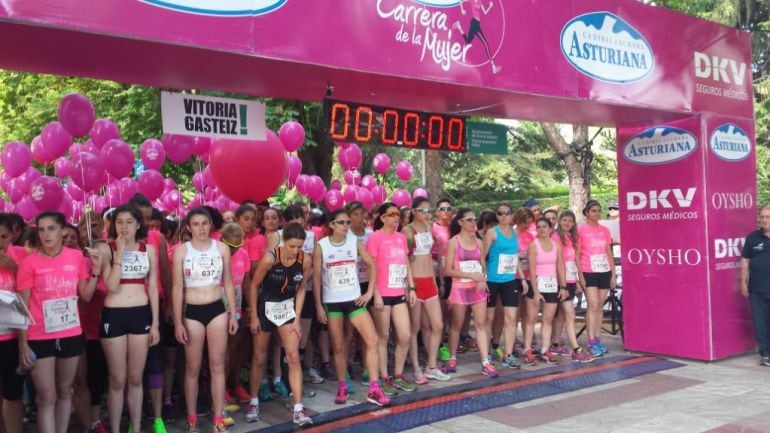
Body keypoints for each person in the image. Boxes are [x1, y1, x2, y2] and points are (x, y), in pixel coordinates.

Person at [17, 211, 103, 433]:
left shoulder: (76, 258)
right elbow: (23, 307)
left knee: (66, 391)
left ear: (63, 230)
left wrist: (95, 271)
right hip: (39, 336)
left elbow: (85, 295)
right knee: (46, 396)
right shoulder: (29, 263)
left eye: (51, 228)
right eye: (42, 229)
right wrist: (23, 344)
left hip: (70, 333)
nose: (46, 234)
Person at [313, 209, 391, 406]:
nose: (346, 226)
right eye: (342, 222)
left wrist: (369, 292)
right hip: (333, 301)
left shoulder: (353, 241)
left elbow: (372, 265)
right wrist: (318, 306)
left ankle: (374, 388)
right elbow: (316, 278)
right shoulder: (321, 245)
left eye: (348, 222)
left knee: (372, 340)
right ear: (332, 225)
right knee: (338, 347)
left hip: (354, 299)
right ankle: (342, 386)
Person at [171, 207, 239, 433]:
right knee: (193, 367)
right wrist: (179, 322)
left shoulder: (221, 248)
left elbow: (227, 282)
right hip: (192, 312)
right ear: (188, 227)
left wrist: (234, 314)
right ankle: (192, 417)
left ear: (211, 225)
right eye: (196, 224)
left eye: (205, 223)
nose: (201, 228)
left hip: (217, 309)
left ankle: (218, 417)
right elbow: (177, 288)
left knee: (217, 365)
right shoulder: (182, 251)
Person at [95, 204, 161, 433]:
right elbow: (111, 286)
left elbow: (153, 289)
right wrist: (119, 253)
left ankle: (137, 426)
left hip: (140, 313)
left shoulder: (149, 249)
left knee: (135, 378)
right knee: (117, 379)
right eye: (119, 222)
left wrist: (155, 324)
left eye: (129, 221)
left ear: (138, 224)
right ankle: (115, 429)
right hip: (114, 314)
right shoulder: (106, 249)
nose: (124, 226)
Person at [246, 223, 313, 426]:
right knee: (259, 357)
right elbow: (254, 285)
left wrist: (297, 317)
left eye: (300, 246)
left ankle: (298, 408)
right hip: (265, 308)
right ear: (284, 242)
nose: (295, 251)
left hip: (287, 310)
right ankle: (254, 401)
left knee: (293, 357)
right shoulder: (270, 258)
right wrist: (254, 316)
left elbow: (301, 289)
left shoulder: (305, 260)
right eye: (292, 246)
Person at [367, 202, 418, 396]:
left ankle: (398, 374)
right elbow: (372, 266)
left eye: (398, 214)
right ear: (382, 218)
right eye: (391, 214)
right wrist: (376, 293)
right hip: (382, 293)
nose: (396, 217)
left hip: (399, 292)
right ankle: (384, 377)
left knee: (404, 335)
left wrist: (411, 287)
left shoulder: (401, 237)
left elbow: (405, 262)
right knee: (383, 337)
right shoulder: (375, 238)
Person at [402, 198, 452, 382]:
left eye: (428, 210)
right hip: (415, 282)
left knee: (437, 325)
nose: (426, 214)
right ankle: (416, 367)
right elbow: (404, 259)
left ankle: (431, 365)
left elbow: (433, 257)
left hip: (429, 281)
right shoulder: (406, 231)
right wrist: (409, 286)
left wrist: (438, 281)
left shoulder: (429, 229)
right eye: (422, 210)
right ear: (414, 211)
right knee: (415, 327)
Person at [444, 208, 497, 377]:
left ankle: (485, 362)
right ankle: (452, 357)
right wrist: (469, 275)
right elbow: (448, 271)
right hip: (460, 288)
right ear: (460, 222)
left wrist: (483, 278)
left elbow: (483, 266)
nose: (473, 223)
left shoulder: (478, 242)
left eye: (474, 219)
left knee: (481, 324)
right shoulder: (454, 242)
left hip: (477, 289)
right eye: (469, 220)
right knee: (456, 325)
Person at [481, 203, 522, 370]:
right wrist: (482, 278)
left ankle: (509, 353)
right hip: (492, 280)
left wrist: (523, 278)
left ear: (511, 215)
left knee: (511, 318)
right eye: (500, 213)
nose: (504, 216)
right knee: (489, 318)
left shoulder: (514, 233)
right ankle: (487, 351)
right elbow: (482, 257)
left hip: (510, 280)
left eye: (507, 213)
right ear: (497, 216)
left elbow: (515, 257)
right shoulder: (492, 233)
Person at [552, 211, 594, 363]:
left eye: (570, 221)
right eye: (564, 220)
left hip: (570, 279)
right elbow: (559, 262)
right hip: (560, 281)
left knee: (562, 315)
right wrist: (562, 285)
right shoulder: (556, 237)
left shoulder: (572, 237)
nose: (567, 223)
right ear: (559, 221)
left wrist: (578, 279)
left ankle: (555, 342)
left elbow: (574, 259)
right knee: (570, 314)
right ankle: (576, 349)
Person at [576, 200, 616, 357]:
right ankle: (591, 341)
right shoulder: (581, 230)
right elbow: (577, 255)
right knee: (592, 306)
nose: (597, 213)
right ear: (587, 212)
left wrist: (613, 274)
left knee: (599, 306)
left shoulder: (605, 230)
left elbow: (608, 252)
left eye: (599, 210)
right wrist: (580, 276)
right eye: (593, 211)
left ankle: (597, 339)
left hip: (604, 271)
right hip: (588, 271)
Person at [0, 213, 28, 433]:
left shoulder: (20, 254)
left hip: (13, 336)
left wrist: (15, 269)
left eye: (3, 236)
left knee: (13, 393)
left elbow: (34, 290)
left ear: (12, 236)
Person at [219, 223, 252, 406]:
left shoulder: (243, 254)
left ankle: (234, 383)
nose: (234, 251)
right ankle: (220, 389)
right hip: (218, 310)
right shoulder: (215, 254)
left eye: (238, 246)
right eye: (230, 247)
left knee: (236, 350)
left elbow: (246, 284)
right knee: (222, 353)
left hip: (237, 309)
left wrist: (251, 309)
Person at [523, 218, 563, 365]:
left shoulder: (556, 245)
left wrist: (563, 286)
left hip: (551, 284)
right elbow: (532, 271)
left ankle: (545, 349)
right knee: (531, 319)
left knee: (548, 319)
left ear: (551, 228)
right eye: (538, 227)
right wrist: (535, 291)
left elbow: (560, 267)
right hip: (536, 283)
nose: (541, 229)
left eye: (544, 227)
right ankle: (527, 349)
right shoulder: (533, 245)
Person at [741, 204, 770, 367]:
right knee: (761, 323)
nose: (764, 220)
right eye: (762, 217)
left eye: (768, 217)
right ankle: (766, 355)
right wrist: (743, 283)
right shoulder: (753, 237)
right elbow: (745, 260)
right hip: (757, 289)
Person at [452, 0, 502, 74]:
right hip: (474, 23)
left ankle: (459, 26)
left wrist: (490, 7)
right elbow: (461, 0)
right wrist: (462, 9)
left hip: (476, 24)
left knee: (468, 41)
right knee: (486, 44)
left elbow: (484, 12)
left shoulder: (480, 2)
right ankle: (493, 66)